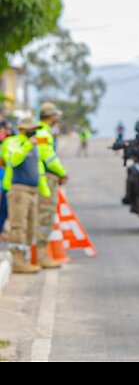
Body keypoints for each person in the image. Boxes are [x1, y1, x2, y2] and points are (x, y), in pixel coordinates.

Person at [2, 113, 52, 275]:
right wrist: (27, 145)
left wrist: (45, 192)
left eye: (35, 128)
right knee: (19, 226)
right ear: (22, 129)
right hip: (19, 190)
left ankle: (24, 259)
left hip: (33, 191)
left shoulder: (35, 146)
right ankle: (17, 261)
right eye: (31, 129)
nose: (34, 131)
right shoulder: (12, 142)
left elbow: (39, 170)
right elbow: (13, 160)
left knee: (30, 227)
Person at [36, 102, 69, 270]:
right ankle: (41, 255)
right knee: (45, 215)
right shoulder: (43, 133)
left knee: (43, 215)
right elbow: (49, 159)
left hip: (44, 177)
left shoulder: (42, 131)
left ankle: (40, 254)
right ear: (51, 116)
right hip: (47, 178)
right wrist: (62, 172)